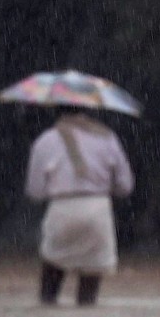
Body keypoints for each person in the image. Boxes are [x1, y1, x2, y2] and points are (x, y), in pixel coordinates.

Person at [25, 107, 134, 306]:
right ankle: (87, 308)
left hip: (62, 206)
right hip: (98, 207)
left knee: (53, 263)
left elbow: (35, 191)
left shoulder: (45, 140)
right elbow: (125, 185)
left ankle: (48, 303)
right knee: (92, 270)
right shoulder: (107, 138)